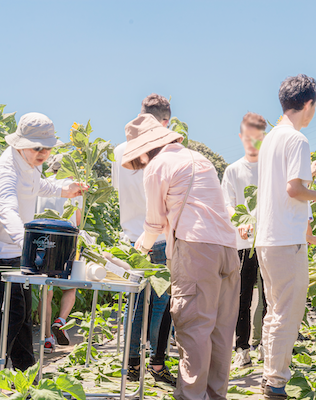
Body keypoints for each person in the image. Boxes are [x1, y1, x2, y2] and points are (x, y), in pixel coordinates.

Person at [123, 113, 239, 400]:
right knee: (221, 332)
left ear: (144, 150)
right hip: (228, 248)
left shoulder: (157, 166)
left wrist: (141, 246)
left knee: (194, 329)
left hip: (196, 249)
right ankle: (215, 395)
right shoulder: (200, 159)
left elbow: (154, 222)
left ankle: (190, 396)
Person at [255, 74, 316, 400]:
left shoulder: (272, 138)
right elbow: (294, 189)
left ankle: (269, 376)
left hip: (267, 238)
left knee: (275, 311)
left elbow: (285, 185)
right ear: (309, 104)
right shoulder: (298, 139)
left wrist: (311, 173)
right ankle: (276, 384)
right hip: (287, 239)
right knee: (288, 312)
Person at [0, 112, 86, 371]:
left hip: (16, 252)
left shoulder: (30, 162)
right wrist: (25, 243)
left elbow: (38, 186)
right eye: (38, 148)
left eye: (47, 148)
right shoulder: (7, 169)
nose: (44, 153)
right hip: (5, 252)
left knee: (23, 314)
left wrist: (64, 189)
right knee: (14, 315)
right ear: (20, 144)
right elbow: (6, 209)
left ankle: (26, 373)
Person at [111, 94, 176, 386]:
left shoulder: (119, 151)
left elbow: (119, 189)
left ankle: (132, 364)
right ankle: (157, 364)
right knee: (162, 305)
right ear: (164, 122)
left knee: (135, 304)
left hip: (130, 237)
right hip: (159, 237)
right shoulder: (165, 151)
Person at [221, 112, 267, 369]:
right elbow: (227, 202)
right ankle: (242, 348)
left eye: (257, 138)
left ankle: (265, 345)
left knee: (270, 296)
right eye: (248, 138)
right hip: (243, 242)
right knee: (243, 296)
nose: (252, 142)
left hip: (270, 240)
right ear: (241, 137)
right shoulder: (233, 170)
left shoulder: (272, 169)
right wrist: (239, 221)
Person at [35, 154, 83, 353]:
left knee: (45, 290)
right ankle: (61, 320)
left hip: (40, 241)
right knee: (70, 287)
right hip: (65, 242)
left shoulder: (42, 185)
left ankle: (47, 339)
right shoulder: (73, 188)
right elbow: (78, 221)